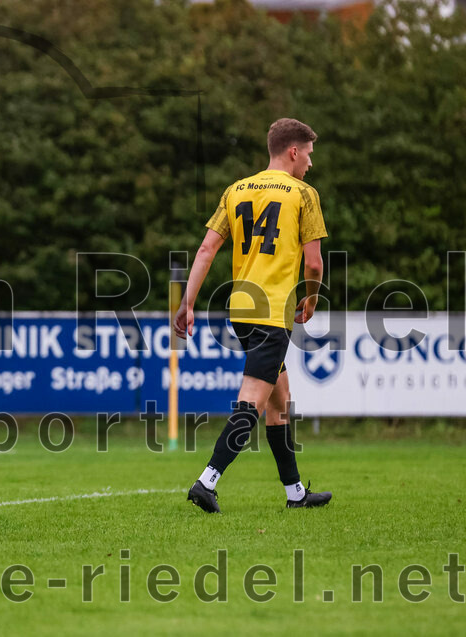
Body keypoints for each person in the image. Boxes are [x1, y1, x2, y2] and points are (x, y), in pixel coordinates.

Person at [174, 118, 332, 513]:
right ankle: (206, 482)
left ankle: (295, 492)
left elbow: (207, 249)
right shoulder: (303, 194)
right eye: (308, 154)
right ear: (293, 151)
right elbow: (313, 264)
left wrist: (187, 302)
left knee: (280, 402)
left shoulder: (237, 189)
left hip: (242, 308)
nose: (310, 163)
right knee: (251, 403)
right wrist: (310, 299)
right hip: (273, 312)